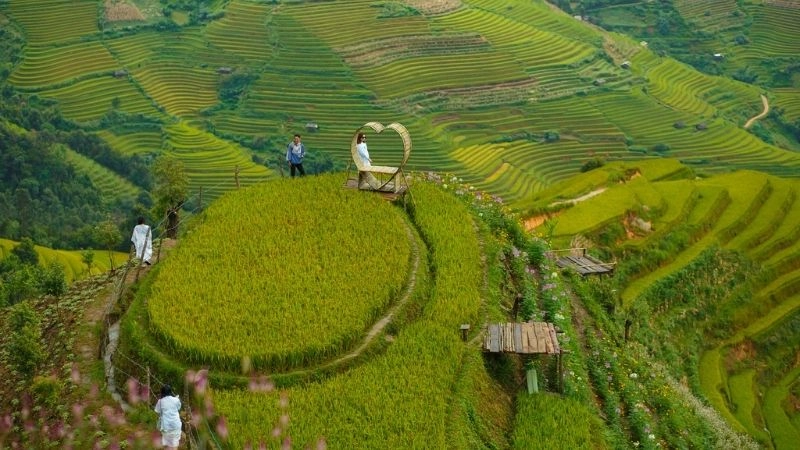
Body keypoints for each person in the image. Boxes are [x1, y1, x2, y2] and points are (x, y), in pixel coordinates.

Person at [154, 384, 182, 450]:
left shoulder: (160, 402)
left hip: (166, 426)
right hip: (176, 424)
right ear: (170, 391)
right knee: (175, 443)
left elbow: (157, 411)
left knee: (167, 444)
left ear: (162, 392)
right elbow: (178, 408)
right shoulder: (176, 400)